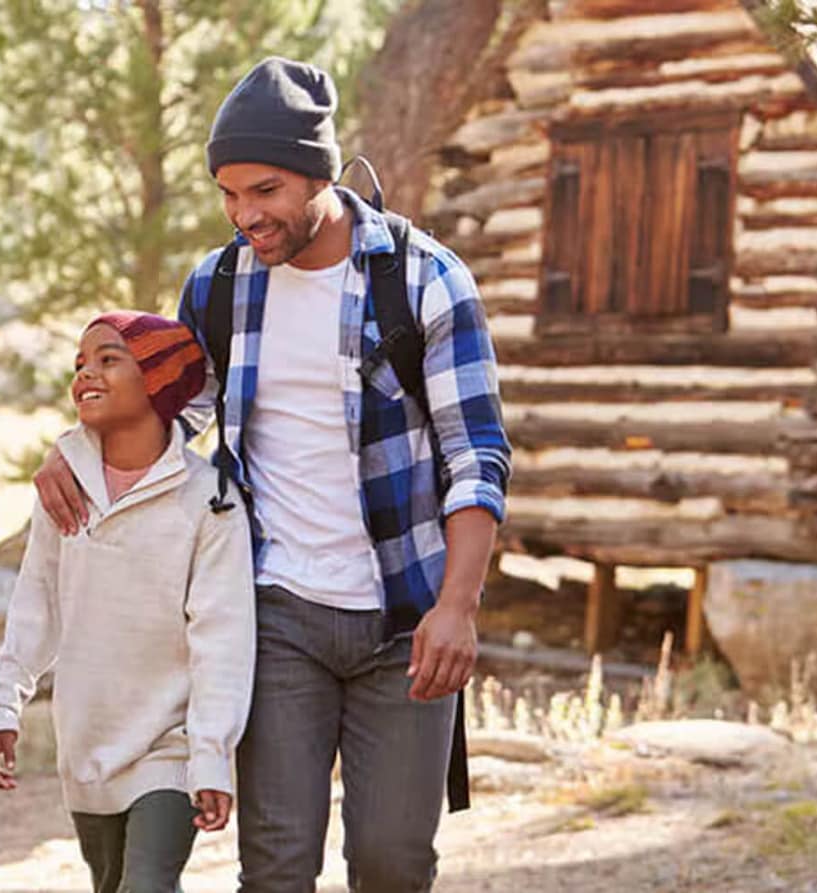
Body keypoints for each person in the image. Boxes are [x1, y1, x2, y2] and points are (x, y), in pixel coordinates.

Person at [33, 57, 511, 893]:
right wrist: (71, 449)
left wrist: (457, 607)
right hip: (277, 612)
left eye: (266, 191)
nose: (245, 214)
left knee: (395, 864)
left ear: (319, 173)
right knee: (277, 868)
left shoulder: (424, 279)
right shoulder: (217, 288)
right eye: (229, 193)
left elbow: (477, 456)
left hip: (407, 617)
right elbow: (166, 416)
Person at [0, 312, 255, 893]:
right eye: (79, 363)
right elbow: (37, 602)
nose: (84, 375)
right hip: (88, 741)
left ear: (157, 379)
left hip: (170, 746)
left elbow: (222, 637)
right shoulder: (65, 487)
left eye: (107, 359)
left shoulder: (209, 502)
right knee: (111, 884)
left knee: (146, 885)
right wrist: (2, 701)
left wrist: (210, 754)